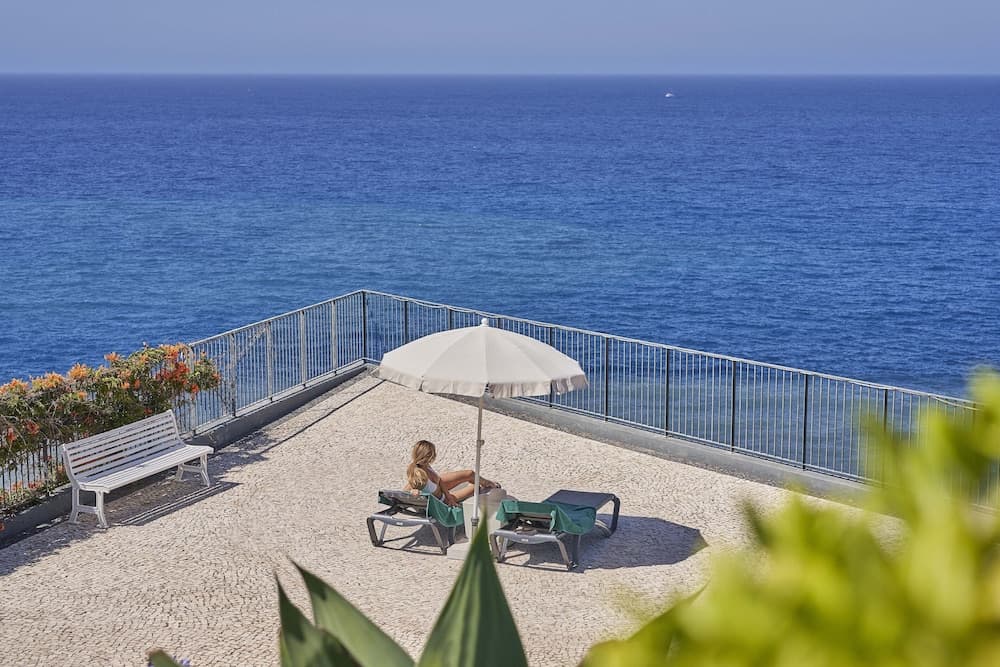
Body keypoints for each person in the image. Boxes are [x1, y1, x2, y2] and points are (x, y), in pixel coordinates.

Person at [406, 439, 499, 507]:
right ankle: (484, 485)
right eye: (432, 454)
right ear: (428, 456)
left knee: (469, 473)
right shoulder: (418, 475)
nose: (434, 456)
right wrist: (412, 492)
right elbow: (404, 492)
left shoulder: (426, 466)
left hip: (442, 488)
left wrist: (449, 496)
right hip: (442, 500)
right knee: (475, 487)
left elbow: (440, 481)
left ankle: (488, 482)